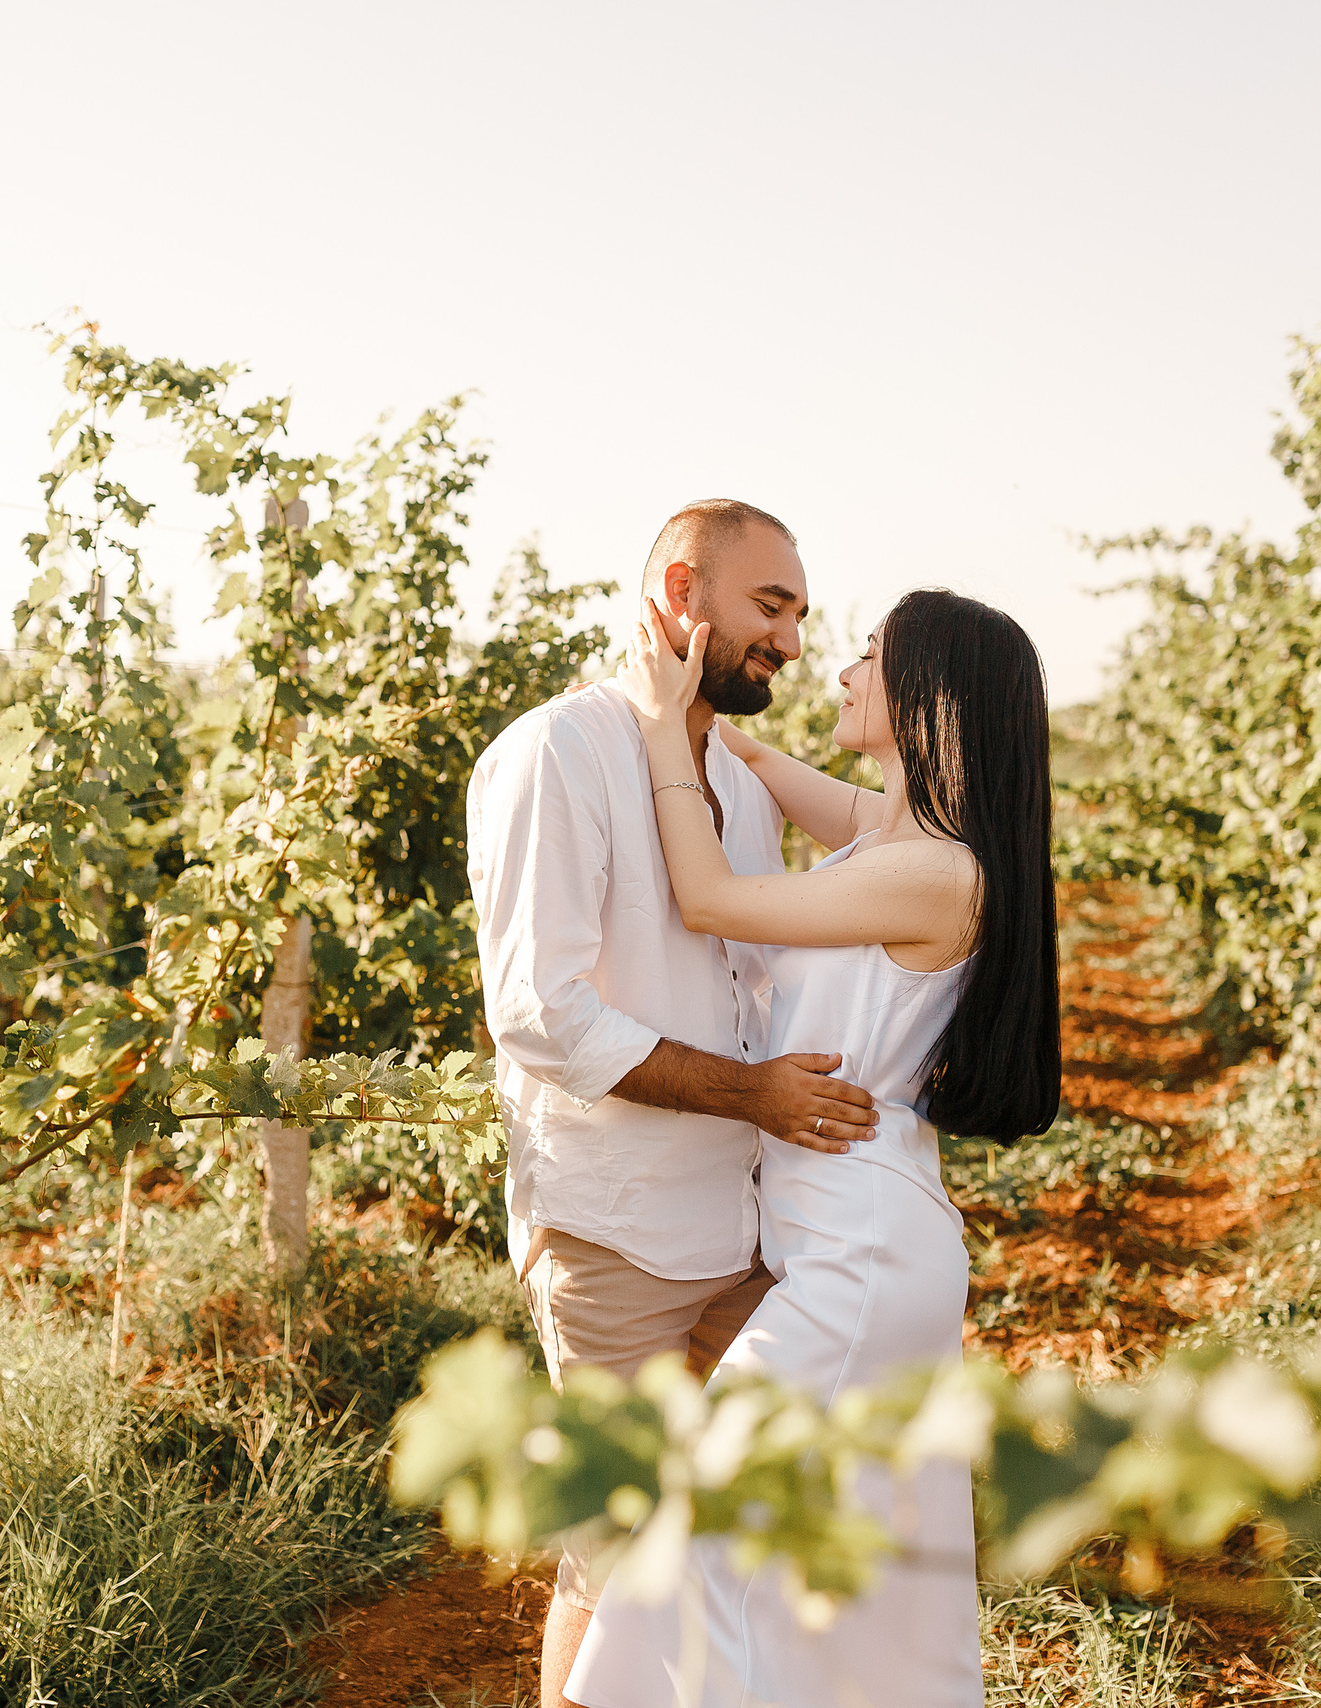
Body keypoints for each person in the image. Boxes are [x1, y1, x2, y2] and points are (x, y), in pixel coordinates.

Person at [565, 586, 1063, 1708]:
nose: (836, 671)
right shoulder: (899, 834)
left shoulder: (934, 872)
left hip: (859, 1262)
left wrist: (655, 732)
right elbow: (776, 774)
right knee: (846, 1576)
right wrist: (700, 707)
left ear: (929, 695)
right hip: (858, 1240)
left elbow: (708, 896)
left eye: (869, 658)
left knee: (705, 1527)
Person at [466, 499, 886, 1708]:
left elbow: (749, 985)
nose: (793, 644)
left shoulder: (735, 787)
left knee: (735, 1539)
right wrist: (750, 1094)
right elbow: (538, 1011)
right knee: (616, 1557)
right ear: (678, 592)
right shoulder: (557, 752)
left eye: (801, 614)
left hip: (744, 1226)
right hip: (617, 1229)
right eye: (771, 607)